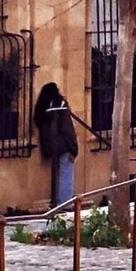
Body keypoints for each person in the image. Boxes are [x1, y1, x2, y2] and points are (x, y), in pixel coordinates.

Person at [33, 81, 79, 209]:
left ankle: (57, 201)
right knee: (66, 173)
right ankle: (65, 203)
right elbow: (67, 128)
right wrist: (73, 148)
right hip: (64, 145)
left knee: (56, 173)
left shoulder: (42, 109)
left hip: (50, 145)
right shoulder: (60, 106)